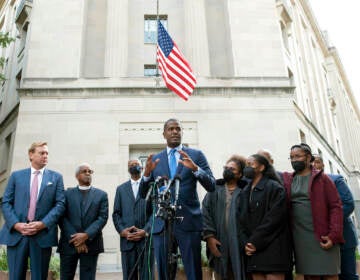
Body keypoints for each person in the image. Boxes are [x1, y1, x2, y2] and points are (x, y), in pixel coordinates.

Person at [139, 118, 216, 280]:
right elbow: (142, 195)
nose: (175, 132)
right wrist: (146, 175)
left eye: (178, 129)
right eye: (171, 129)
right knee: (164, 272)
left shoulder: (195, 155)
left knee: (193, 271)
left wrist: (196, 169)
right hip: (162, 224)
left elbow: (212, 186)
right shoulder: (155, 160)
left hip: (188, 221)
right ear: (164, 134)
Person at [0, 142, 65, 280]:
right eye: (42, 153)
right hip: (17, 235)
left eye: (47, 153)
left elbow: (60, 205)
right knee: (15, 277)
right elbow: (6, 202)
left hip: (42, 236)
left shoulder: (56, 178)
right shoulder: (16, 176)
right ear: (31, 154)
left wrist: (42, 224)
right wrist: (16, 224)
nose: (45, 156)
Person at [282, 143, 344, 280]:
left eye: (297, 156)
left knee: (330, 274)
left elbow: (336, 207)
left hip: (323, 235)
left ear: (308, 157)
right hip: (301, 237)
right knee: (310, 275)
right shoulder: (288, 179)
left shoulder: (323, 179)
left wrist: (334, 235)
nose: (294, 160)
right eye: (291, 157)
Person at [238, 154, 292, 280]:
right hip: (253, 250)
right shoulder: (245, 191)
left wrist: (255, 241)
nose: (247, 167)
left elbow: (275, 219)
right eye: (246, 165)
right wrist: (246, 243)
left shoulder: (275, 187)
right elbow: (241, 220)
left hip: (273, 248)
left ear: (262, 167)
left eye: (251, 164)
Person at [58, 163, 108, 280]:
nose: (87, 173)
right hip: (69, 244)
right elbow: (61, 217)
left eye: (90, 171)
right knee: (65, 277)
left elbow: (102, 218)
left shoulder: (101, 195)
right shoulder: (66, 194)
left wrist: (85, 235)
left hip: (91, 244)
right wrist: (77, 240)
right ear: (77, 176)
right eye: (84, 171)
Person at [313, 155, 359, 280]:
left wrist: (329, 221)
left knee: (348, 275)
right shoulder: (306, 185)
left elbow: (348, 204)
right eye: (311, 162)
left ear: (323, 165)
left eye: (317, 162)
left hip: (344, 237)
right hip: (320, 241)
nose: (313, 165)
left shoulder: (335, 179)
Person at [202, 155, 247, 280]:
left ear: (240, 174)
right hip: (219, 242)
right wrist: (209, 237)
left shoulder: (246, 191)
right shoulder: (214, 190)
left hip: (240, 244)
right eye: (226, 167)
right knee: (221, 274)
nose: (227, 170)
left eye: (232, 169)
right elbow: (205, 213)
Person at [113, 159, 154, 280]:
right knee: (129, 276)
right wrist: (122, 231)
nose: (134, 166)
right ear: (127, 169)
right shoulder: (120, 189)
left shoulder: (151, 186)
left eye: (136, 165)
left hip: (146, 241)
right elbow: (116, 214)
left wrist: (146, 230)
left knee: (147, 276)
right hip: (127, 241)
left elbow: (155, 213)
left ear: (142, 168)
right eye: (131, 165)